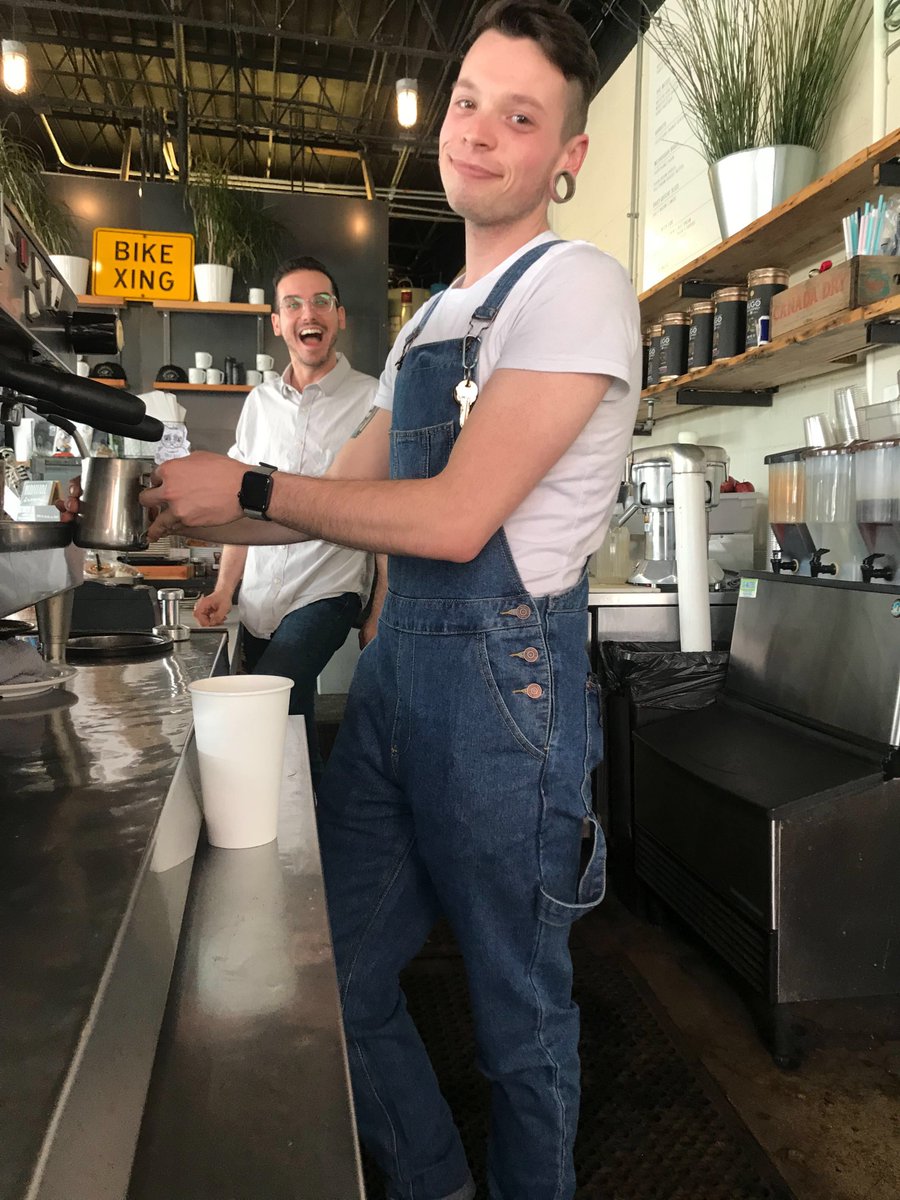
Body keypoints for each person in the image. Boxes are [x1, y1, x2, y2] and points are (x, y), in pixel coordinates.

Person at [120, 3, 641, 1195]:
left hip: (508, 699)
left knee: (519, 1019)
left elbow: (457, 517)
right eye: (468, 100)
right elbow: (326, 493)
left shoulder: (575, 288)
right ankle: (436, 1180)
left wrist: (247, 481)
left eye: (522, 117)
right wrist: (196, 505)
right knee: (339, 976)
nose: (479, 132)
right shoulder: (426, 328)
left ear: (565, 157)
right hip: (403, 678)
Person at [193, 256, 378, 788]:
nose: (307, 312)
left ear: (338, 317)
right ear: (276, 322)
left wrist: (379, 606)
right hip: (258, 599)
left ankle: (288, 832)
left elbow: (384, 505)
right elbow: (241, 503)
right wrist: (226, 588)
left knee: (269, 697)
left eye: (321, 301)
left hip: (328, 588)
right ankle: (310, 848)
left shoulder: (371, 400)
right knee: (290, 722)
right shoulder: (260, 402)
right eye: (292, 303)